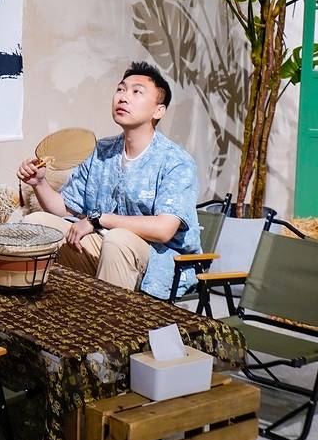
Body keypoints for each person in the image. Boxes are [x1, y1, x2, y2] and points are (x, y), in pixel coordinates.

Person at [16, 61, 201, 299]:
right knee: (35, 223)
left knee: (118, 239)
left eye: (137, 92)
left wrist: (98, 219)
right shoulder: (101, 151)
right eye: (121, 89)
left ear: (158, 111)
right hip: (104, 246)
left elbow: (164, 230)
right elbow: (65, 208)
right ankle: (29, 312)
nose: (123, 97)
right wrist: (39, 183)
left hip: (158, 263)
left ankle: (105, 321)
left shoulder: (176, 161)